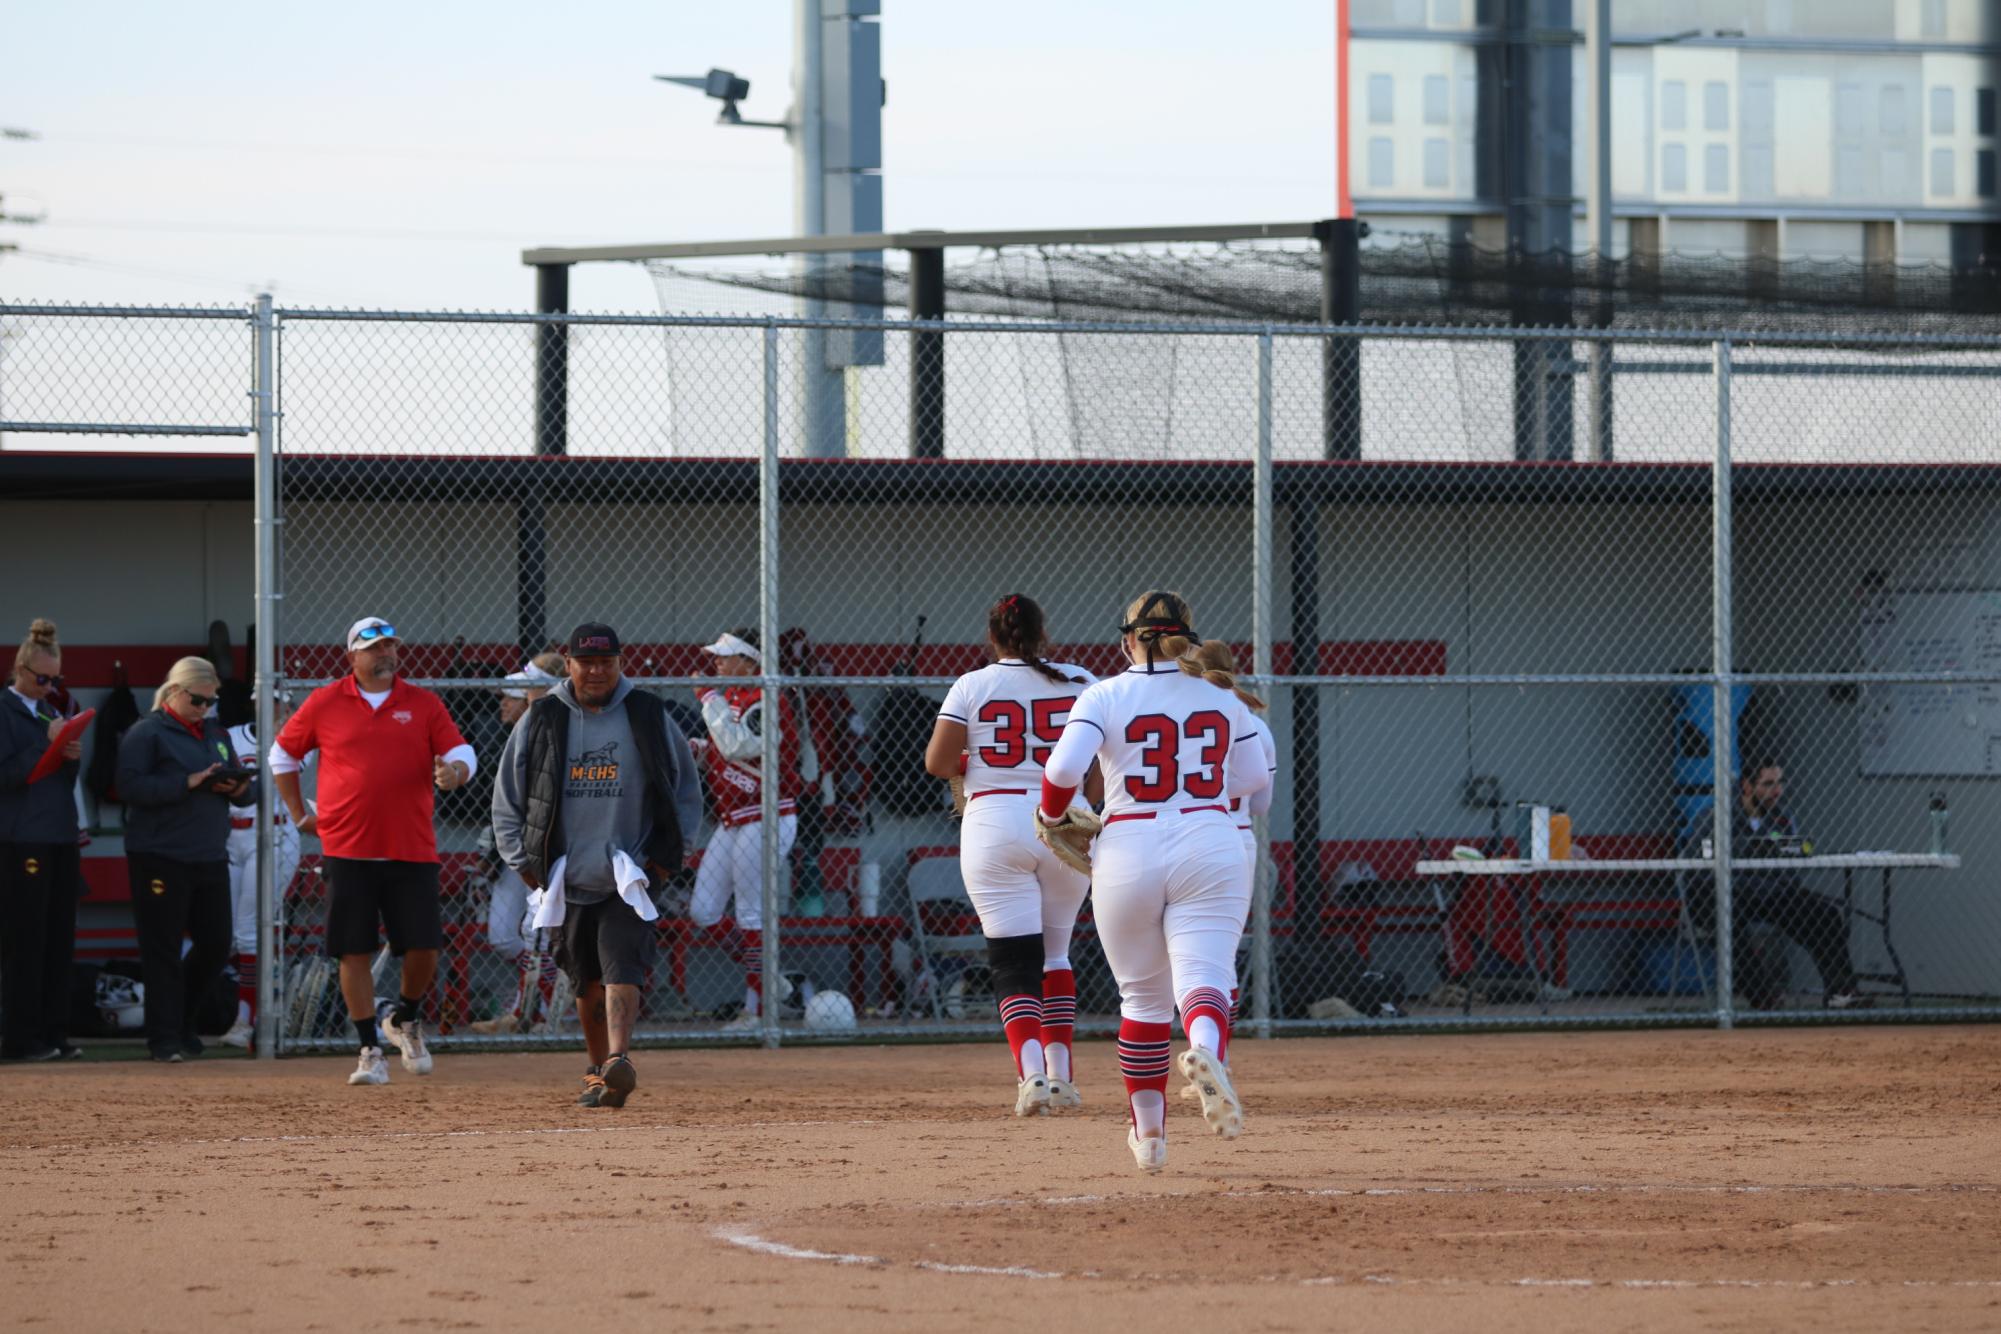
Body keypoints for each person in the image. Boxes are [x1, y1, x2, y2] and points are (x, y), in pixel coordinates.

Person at [1038, 591, 1269, 1173]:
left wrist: (1050, 813)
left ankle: (1150, 1139)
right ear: (1187, 639)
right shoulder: (1222, 694)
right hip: (1210, 839)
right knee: (1205, 976)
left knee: (1141, 998)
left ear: (1126, 641)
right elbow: (1250, 781)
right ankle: (1208, 1054)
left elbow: (1062, 772)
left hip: (1129, 843)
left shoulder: (1105, 693)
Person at [492, 624, 700, 1107]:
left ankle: (618, 1059)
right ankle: (597, 1069)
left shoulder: (648, 714)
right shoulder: (542, 717)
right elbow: (509, 796)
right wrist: (524, 864)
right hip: (566, 873)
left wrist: (668, 859)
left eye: (606, 661)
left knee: (621, 965)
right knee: (582, 976)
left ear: (620, 662)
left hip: (629, 871)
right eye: (587, 662)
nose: (597, 670)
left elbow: (686, 789)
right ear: (569, 664)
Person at [269, 617, 477, 1086]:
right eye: (374, 648)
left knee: (424, 946)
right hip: (348, 848)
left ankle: (406, 1018)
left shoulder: (422, 703)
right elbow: (282, 756)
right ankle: (369, 1049)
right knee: (353, 950)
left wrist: (454, 774)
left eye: (390, 646)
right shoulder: (326, 701)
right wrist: (300, 813)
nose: (386, 654)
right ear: (353, 657)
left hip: (411, 847)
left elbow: (463, 752)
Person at [924, 593, 1097, 1117]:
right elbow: (1100, 758)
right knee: (1056, 954)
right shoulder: (1080, 680)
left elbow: (937, 762)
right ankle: (1062, 1075)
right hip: (1062, 818)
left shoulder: (973, 684)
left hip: (995, 821)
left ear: (992, 637)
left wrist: (973, 759)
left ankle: (1031, 1077)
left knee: (1011, 962)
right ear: (1044, 635)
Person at [116, 657, 255, 1062]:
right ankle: (164, 1038)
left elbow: (247, 794)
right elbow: (128, 785)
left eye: (210, 702)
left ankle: (183, 1022)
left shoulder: (216, 732)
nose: (204, 709)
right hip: (160, 854)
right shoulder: (147, 732)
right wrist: (187, 782)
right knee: (162, 948)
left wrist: (235, 788)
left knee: (215, 944)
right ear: (175, 692)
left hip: (209, 853)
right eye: (197, 700)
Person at [688, 628, 804, 1029]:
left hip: (767, 813)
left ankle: (757, 1010)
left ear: (751, 661)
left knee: (751, 913)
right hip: (733, 817)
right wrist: (701, 750)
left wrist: (708, 700)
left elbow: (740, 746)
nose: (716, 663)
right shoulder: (733, 697)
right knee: (703, 911)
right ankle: (770, 979)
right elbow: (726, 751)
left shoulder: (766, 697)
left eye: (726, 656)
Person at [0, 618, 87, 1062]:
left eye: (56, 680)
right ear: (20, 669)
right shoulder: (6, 711)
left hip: (57, 835)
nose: (49, 686)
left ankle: (54, 1032)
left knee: (59, 939)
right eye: (42, 678)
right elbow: (10, 776)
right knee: (25, 941)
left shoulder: (52, 712)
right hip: (21, 839)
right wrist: (45, 742)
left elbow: (57, 777)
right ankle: (19, 1037)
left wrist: (68, 754)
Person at [469, 653, 565, 1035]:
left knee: (534, 931)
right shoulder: (516, 735)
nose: (505, 702)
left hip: (545, 849)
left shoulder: (558, 729)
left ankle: (537, 1011)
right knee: (504, 935)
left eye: (517, 693)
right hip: (515, 850)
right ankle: (533, 1001)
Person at [1724, 759, 1863, 1010]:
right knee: (1730, 923)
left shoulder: (1782, 819)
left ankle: (1841, 993)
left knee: (1825, 915)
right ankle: (1764, 999)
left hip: (1772, 895)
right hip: (1731, 896)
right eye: (1767, 784)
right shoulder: (1719, 817)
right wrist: (1756, 852)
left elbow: (1792, 866)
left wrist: (1765, 861)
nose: (1777, 791)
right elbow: (1703, 860)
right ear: (1746, 786)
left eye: (1780, 783)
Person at [219, 692, 305, 1049]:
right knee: (229, 931)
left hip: (274, 834)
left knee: (248, 931)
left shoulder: (296, 738)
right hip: (231, 836)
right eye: (264, 701)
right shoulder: (232, 734)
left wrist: (289, 727)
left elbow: (291, 767)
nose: (271, 708)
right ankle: (257, 1010)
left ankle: (247, 1021)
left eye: (278, 702)